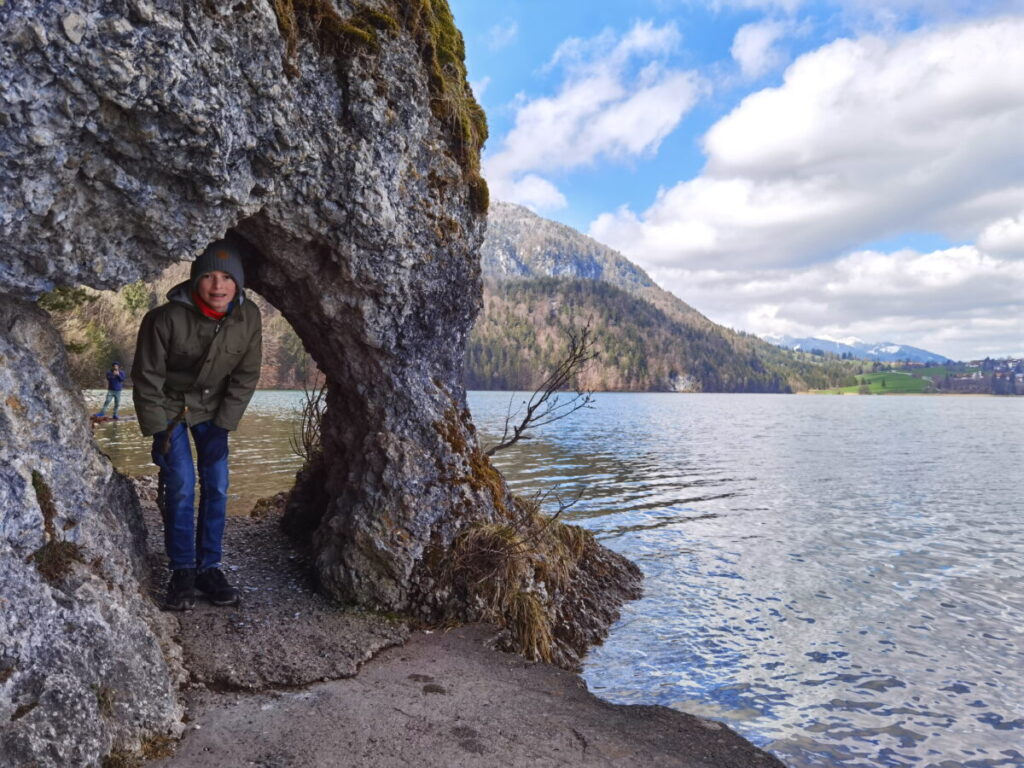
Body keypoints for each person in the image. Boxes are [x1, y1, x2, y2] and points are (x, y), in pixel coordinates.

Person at [132, 240, 262, 611]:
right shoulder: (163, 320)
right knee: (182, 485)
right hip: (171, 409)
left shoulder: (249, 317)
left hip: (214, 410)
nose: (218, 286)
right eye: (208, 276)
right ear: (194, 281)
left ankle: (210, 568)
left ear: (238, 283)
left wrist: (224, 426)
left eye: (226, 277)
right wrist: (160, 430)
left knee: (218, 485)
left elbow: (246, 376)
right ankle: (183, 570)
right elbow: (147, 379)